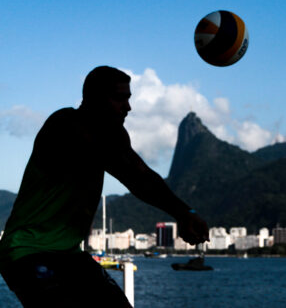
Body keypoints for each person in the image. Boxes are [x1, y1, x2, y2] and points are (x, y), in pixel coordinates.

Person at [0, 66, 209, 307]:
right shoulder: (65, 125)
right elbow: (135, 175)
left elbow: (140, 174)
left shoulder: (113, 135)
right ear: (94, 99)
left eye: (129, 99)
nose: (128, 107)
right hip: (27, 252)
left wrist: (185, 212)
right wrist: (183, 212)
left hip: (68, 254)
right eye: (120, 98)